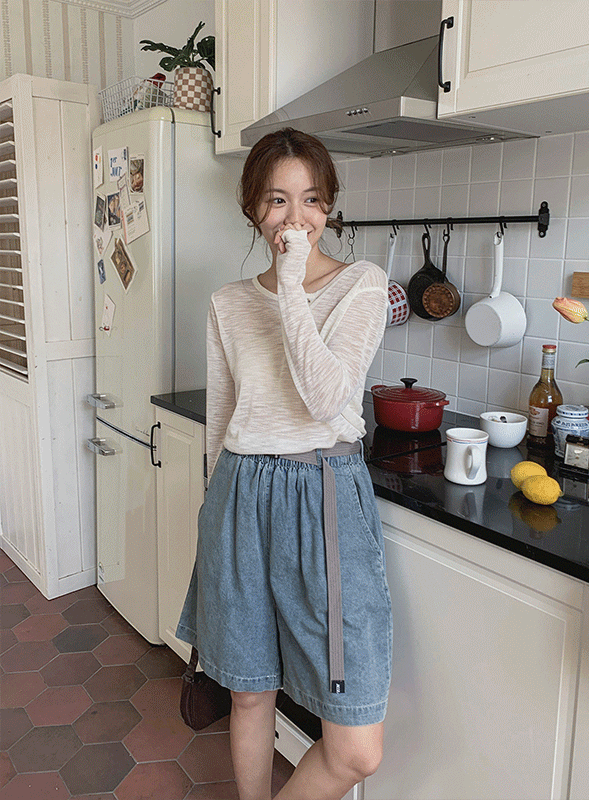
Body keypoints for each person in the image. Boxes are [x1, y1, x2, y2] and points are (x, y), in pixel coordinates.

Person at [176, 128, 392, 800]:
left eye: (311, 199)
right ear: (252, 208)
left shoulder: (362, 285)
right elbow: (222, 419)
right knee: (248, 695)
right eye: (277, 200)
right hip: (240, 495)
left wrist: (292, 286)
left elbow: (326, 399)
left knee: (356, 750)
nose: (295, 218)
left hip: (325, 496)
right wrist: (213, 512)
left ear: (329, 207)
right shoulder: (228, 302)